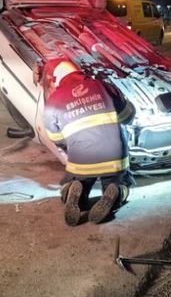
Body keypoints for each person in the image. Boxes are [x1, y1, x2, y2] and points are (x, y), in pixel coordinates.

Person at [42, 60, 135, 226]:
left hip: (81, 160)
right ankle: (115, 190)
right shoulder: (103, 86)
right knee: (117, 179)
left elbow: (55, 138)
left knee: (80, 175)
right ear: (79, 72)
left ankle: (73, 188)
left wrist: (72, 144)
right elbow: (127, 116)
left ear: (58, 80)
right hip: (113, 156)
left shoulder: (53, 100)